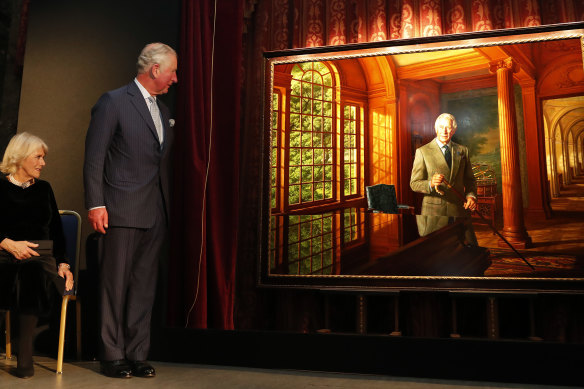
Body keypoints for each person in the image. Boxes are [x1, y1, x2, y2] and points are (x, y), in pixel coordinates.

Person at [83, 42, 177, 379]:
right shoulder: (114, 102)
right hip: (120, 210)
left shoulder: (163, 111)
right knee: (115, 285)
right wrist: (96, 203)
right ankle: (112, 354)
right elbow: (95, 157)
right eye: (172, 71)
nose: (175, 78)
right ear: (155, 70)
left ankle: (137, 353)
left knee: (143, 287)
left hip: (155, 213)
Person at [0, 132, 74, 379]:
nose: (43, 163)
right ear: (20, 157)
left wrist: (64, 263)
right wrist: (7, 243)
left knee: (32, 273)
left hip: (39, 257)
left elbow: (56, 232)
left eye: (44, 157)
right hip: (3, 253)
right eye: (38, 157)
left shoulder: (44, 189)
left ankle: (24, 354)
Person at [410, 113, 478, 245]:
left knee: (469, 250)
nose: (445, 131)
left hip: (459, 210)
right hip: (434, 214)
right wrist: (430, 183)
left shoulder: (463, 151)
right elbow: (414, 183)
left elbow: (470, 180)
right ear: (436, 129)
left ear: (454, 130)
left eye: (448, 127)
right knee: (435, 253)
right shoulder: (423, 151)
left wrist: (471, 197)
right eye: (441, 127)